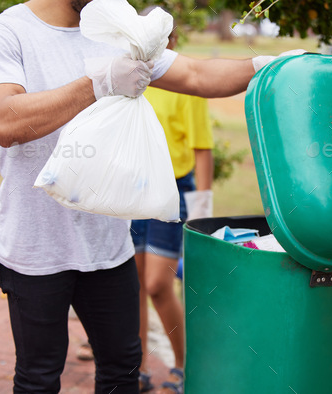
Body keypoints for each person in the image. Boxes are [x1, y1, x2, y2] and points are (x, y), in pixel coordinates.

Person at [0, 0, 304, 393]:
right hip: (35, 249)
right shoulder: (4, 33)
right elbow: (6, 120)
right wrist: (97, 83)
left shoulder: (115, 28)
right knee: (39, 377)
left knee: (123, 368)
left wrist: (264, 66)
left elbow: (196, 74)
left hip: (109, 248)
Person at [130, 12, 214, 393]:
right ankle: (139, 368)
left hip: (174, 191)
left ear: (170, 40)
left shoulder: (183, 83)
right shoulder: (131, 78)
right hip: (132, 190)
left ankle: (185, 363)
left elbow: (203, 150)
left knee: (157, 285)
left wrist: (202, 210)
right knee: (132, 286)